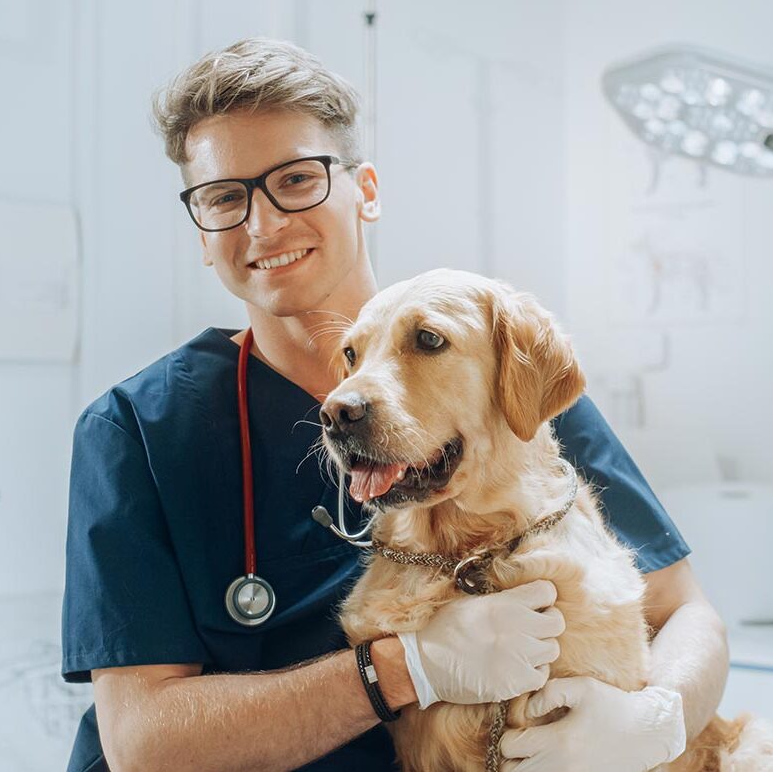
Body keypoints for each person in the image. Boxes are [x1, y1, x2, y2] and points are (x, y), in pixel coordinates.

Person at [61, 38, 729, 772]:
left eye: (296, 178)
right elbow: (143, 744)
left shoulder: (499, 372)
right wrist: (406, 666)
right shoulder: (134, 430)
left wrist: (656, 720)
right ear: (202, 231)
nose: (263, 225)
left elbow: (684, 611)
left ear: (366, 190)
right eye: (225, 197)